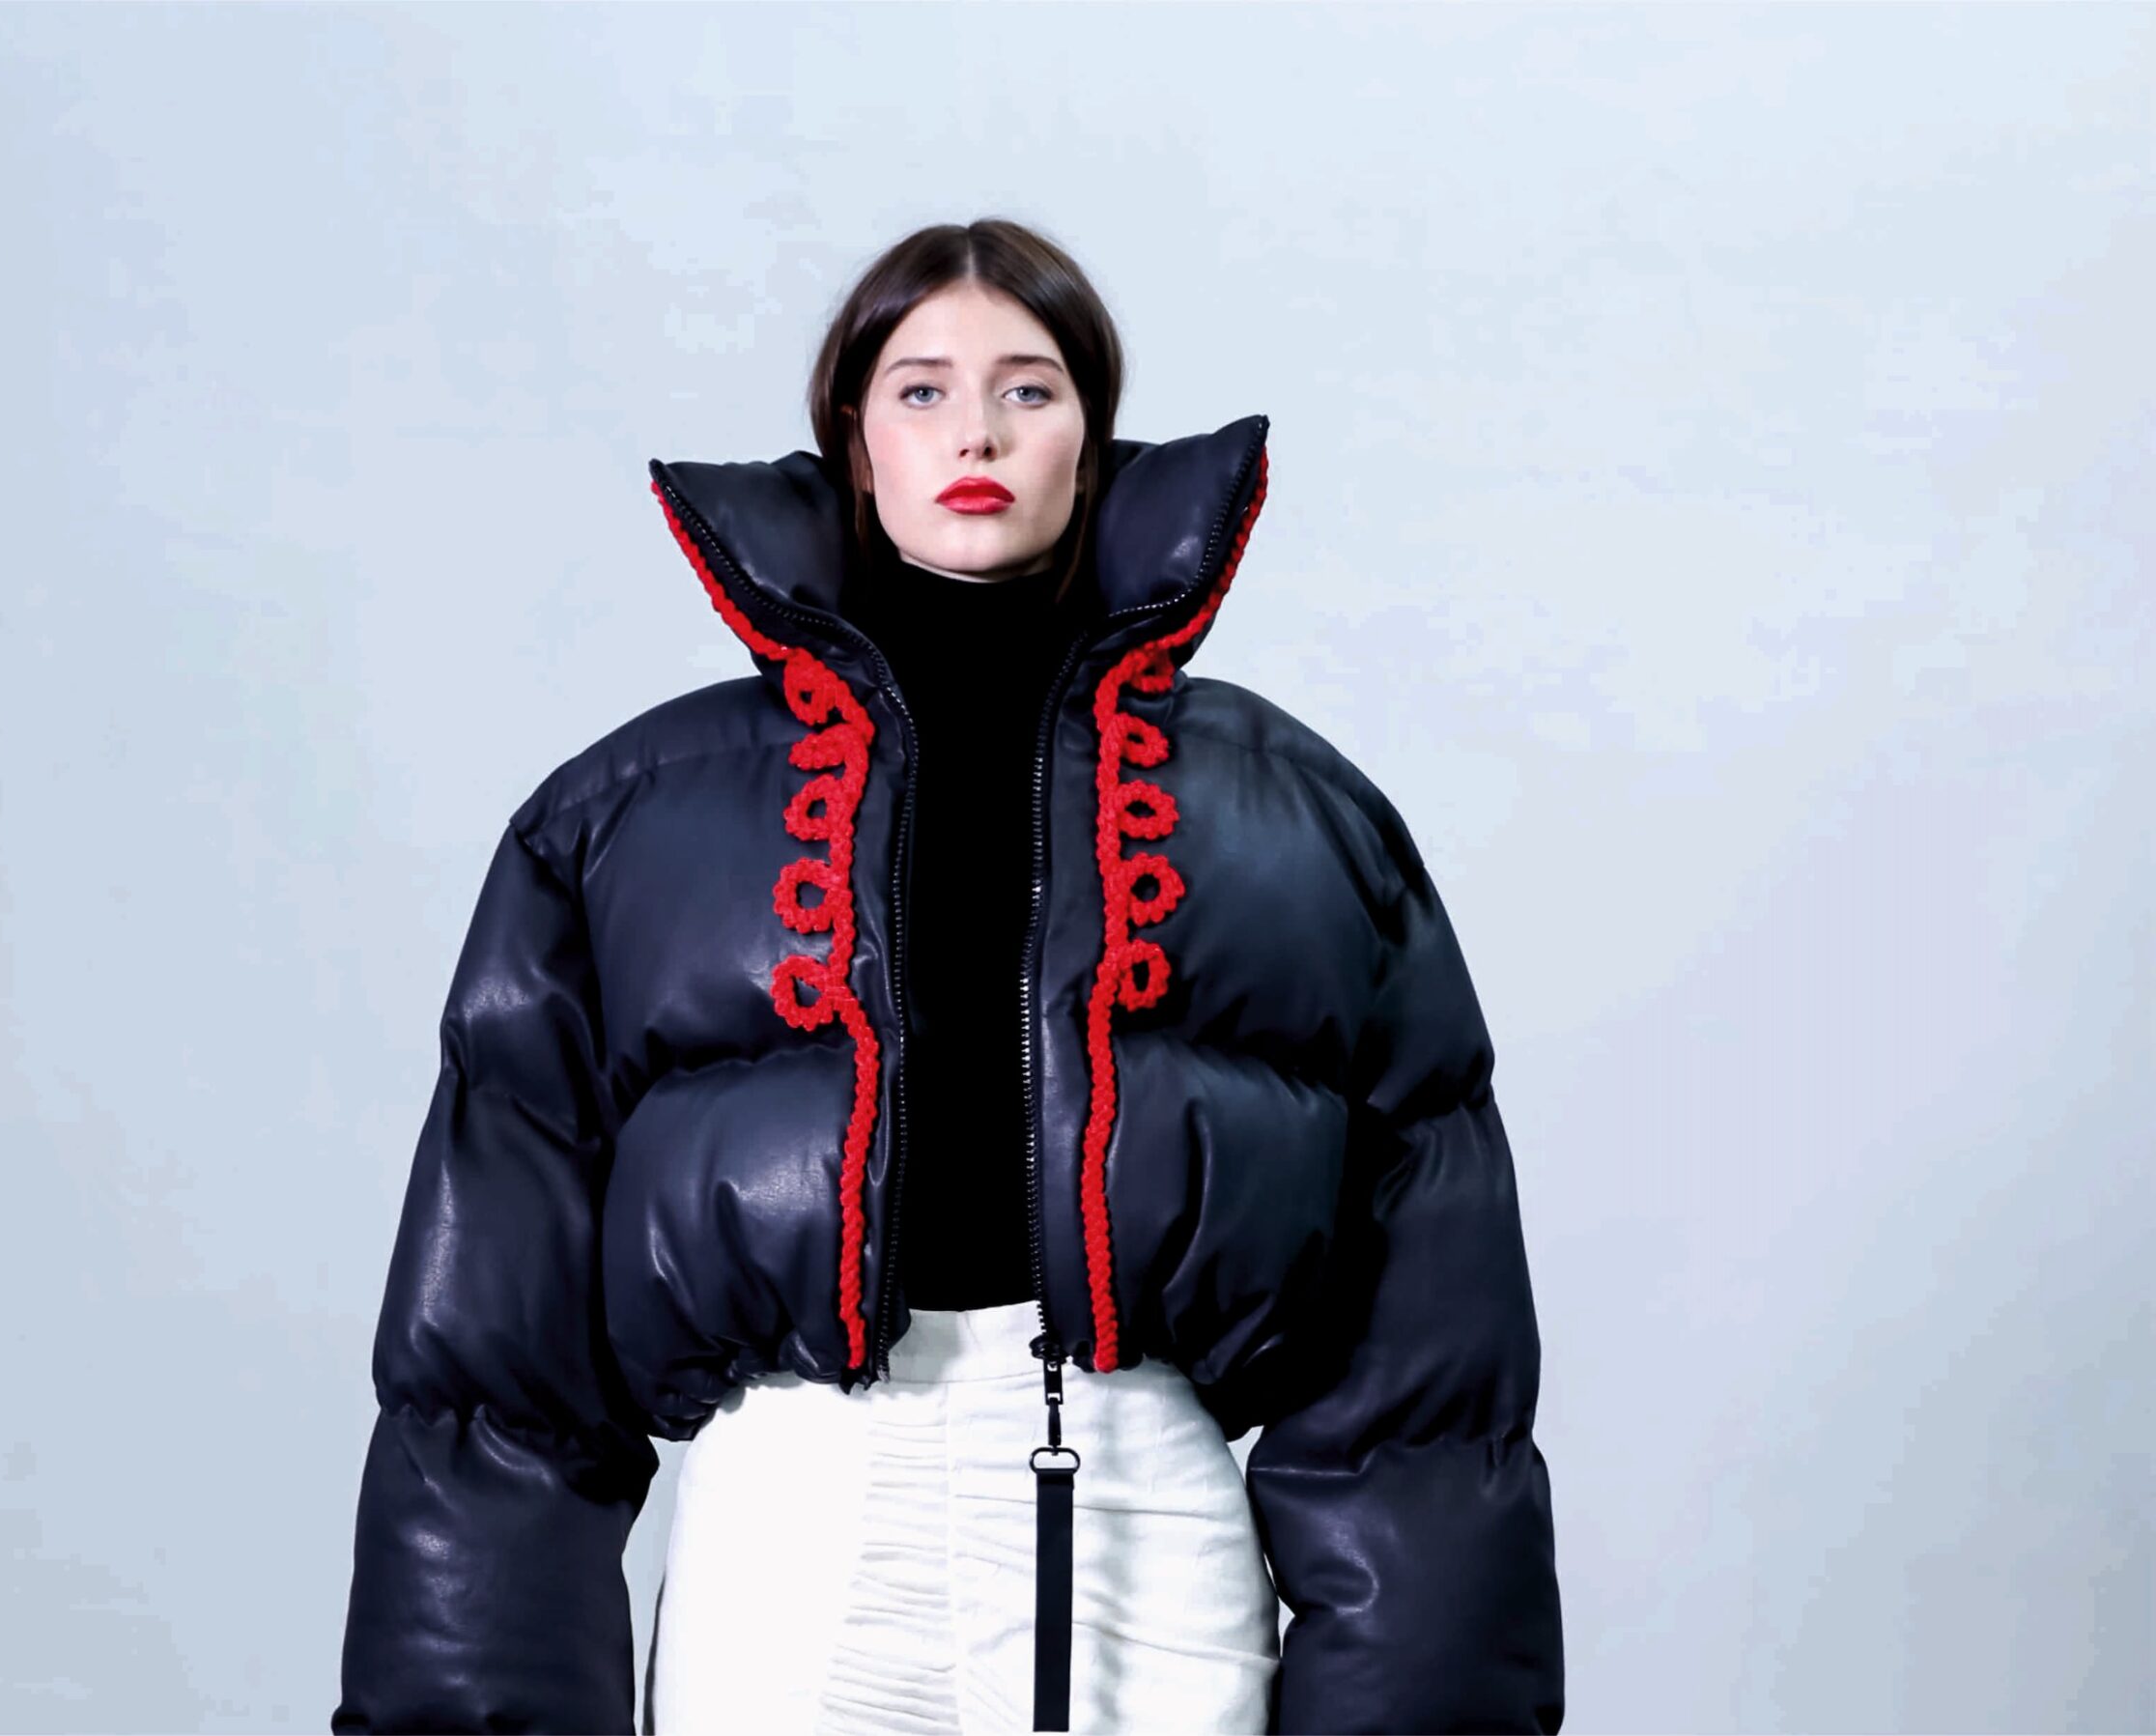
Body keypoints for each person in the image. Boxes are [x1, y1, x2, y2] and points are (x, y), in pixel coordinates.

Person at [331, 218, 1565, 1736]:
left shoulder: (1300, 822)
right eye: (920, 390)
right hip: (797, 1528)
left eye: (1027, 389)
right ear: (855, 441)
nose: (974, 432)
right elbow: (497, 1368)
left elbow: (1423, 1375)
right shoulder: (623, 822)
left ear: (1092, 444)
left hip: (1148, 1533)